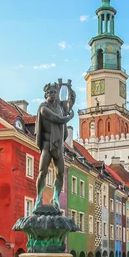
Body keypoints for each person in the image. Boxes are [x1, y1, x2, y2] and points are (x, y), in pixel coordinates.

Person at [33, 81, 75, 211]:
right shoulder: (43, 108)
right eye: (50, 93)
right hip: (46, 144)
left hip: (57, 145)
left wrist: (69, 90)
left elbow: (71, 101)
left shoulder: (60, 107)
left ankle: (55, 197)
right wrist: (70, 117)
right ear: (46, 95)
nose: (52, 94)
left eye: (54, 92)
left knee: (60, 173)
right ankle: (38, 198)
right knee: (42, 171)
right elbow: (58, 119)